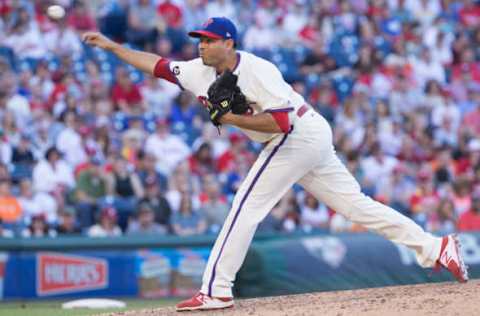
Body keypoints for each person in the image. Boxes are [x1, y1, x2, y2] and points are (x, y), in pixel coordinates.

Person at [83, 16, 468, 311]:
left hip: (296, 134)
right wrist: (113, 47)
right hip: (306, 136)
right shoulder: (198, 70)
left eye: (208, 40)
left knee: (246, 205)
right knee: (356, 206)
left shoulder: (258, 70)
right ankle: (437, 247)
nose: (200, 45)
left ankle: (215, 289)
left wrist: (230, 118)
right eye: (198, 40)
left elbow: (281, 123)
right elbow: (159, 65)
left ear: (228, 43)